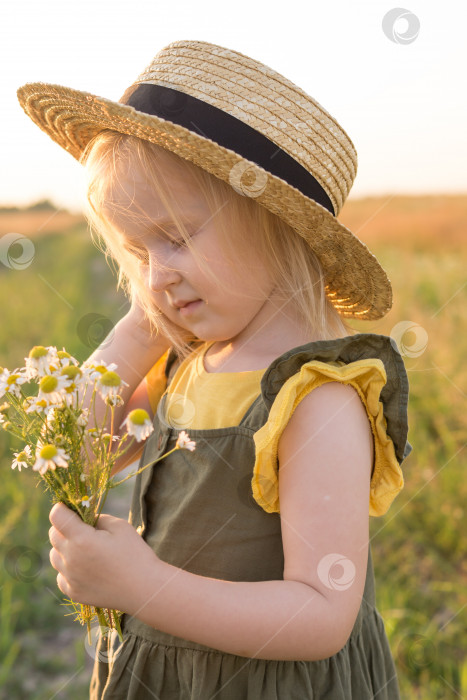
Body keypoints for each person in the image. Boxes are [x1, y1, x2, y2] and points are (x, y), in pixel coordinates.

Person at [17, 39, 413, 699]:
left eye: (174, 237)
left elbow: (322, 615)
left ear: (274, 224)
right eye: (137, 251)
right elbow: (82, 443)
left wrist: (141, 587)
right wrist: (142, 322)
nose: (156, 273)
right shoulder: (193, 361)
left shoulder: (315, 398)